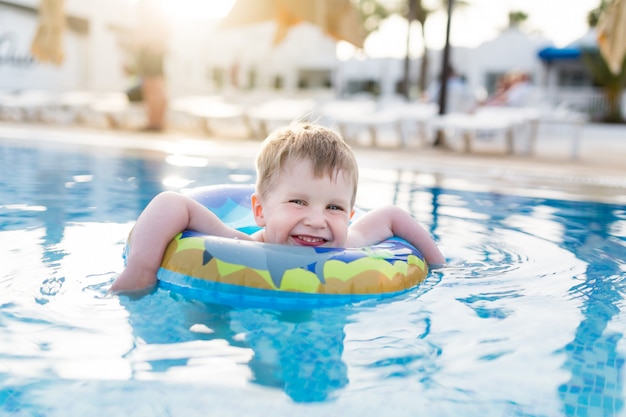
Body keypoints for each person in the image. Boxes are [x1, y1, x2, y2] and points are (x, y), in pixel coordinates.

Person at [110, 123, 445, 293]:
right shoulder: (238, 247)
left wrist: (439, 264)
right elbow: (171, 203)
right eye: (298, 201)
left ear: (350, 215)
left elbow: (392, 216)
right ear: (260, 211)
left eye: (334, 207)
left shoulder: (348, 245)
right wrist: (141, 270)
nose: (316, 220)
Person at [132, 0, 170, 131]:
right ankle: (155, 122)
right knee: (152, 86)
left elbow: (146, 32)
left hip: (152, 50)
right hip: (152, 49)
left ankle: (155, 122)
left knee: (153, 86)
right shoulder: (155, 11)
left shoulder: (152, 11)